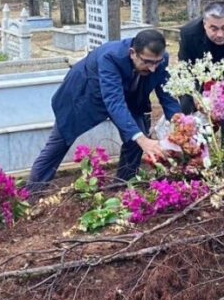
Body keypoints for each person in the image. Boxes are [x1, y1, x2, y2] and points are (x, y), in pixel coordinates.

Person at [30, 29, 180, 187]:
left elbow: (166, 94)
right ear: (132, 53)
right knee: (60, 141)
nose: (152, 69)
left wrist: (180, 123)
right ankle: (33, 191)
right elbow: (114, 101)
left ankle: (123, 186)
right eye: (147, 62)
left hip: (130, 96)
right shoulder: (110, 57)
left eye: (157, 62)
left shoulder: (160, 60)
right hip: (86, 95)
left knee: (135, 139)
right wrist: (143, 140)